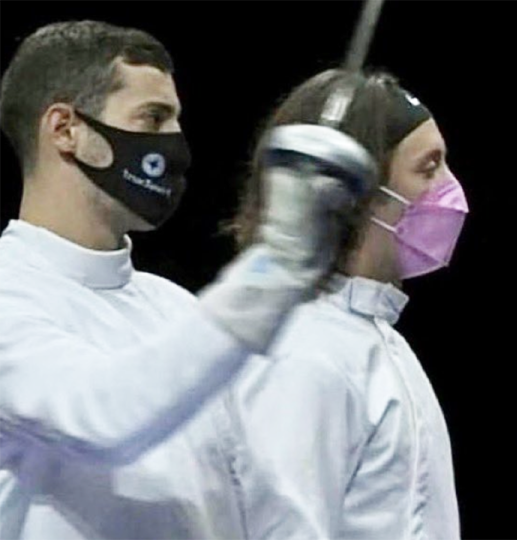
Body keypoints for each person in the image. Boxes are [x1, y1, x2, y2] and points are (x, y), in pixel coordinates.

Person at [0, 21, 358, 539]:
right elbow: (105, 416)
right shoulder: (8, 294)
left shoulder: (175, 309)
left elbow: (258, 497)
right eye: (152, 117)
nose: (174, 144)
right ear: (64, 129)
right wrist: (276, 264)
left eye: (176, 120)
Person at [230, 69, 468, 540]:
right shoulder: (303, 353)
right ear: (355, 192)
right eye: (428, 167)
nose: (449, 186)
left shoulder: (377, 339)